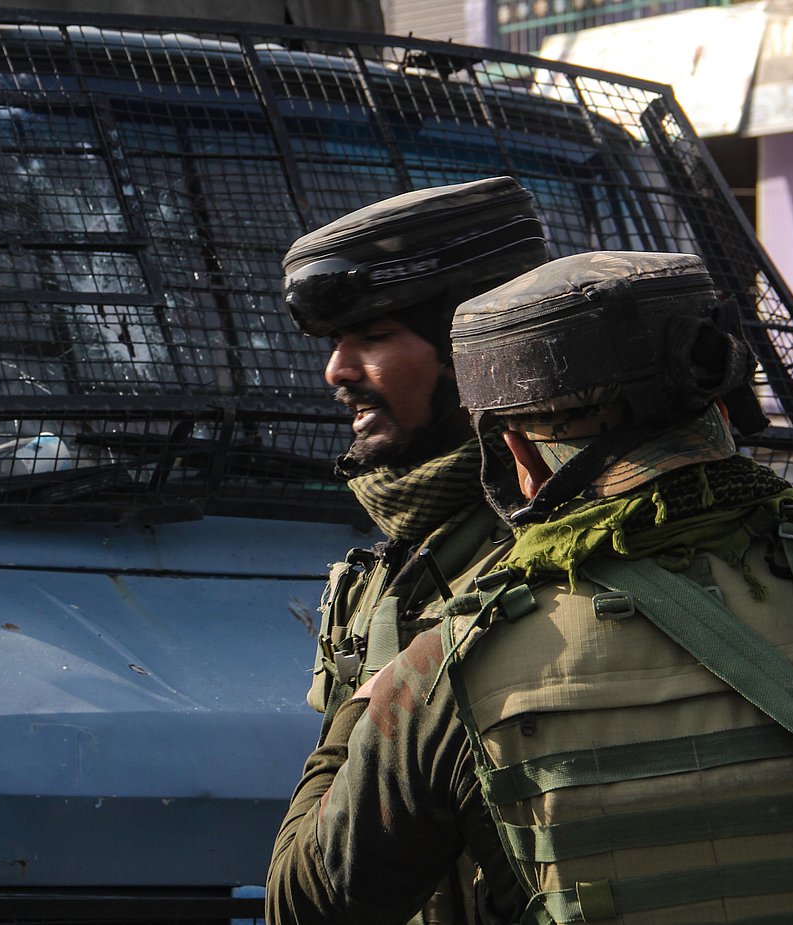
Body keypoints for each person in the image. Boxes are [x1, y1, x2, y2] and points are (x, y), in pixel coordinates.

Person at [267, 250, 793, 924]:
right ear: (722, 411)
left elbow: (303, 904)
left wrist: (361, 708)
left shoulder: (452, 667)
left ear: (519, 457)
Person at [282, 178, 547, 923]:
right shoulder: (407, 556)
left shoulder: (545, 544)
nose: (337, 371)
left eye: (372, 336)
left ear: (471, 355)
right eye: (337, 342)